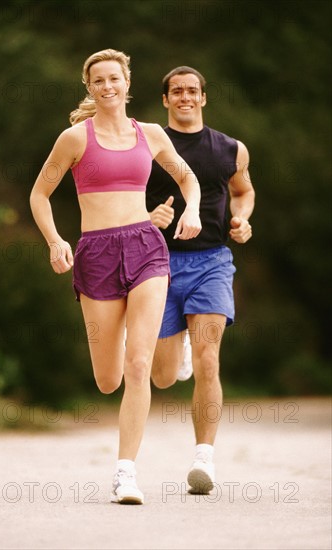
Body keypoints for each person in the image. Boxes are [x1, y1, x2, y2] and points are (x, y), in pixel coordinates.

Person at [29, 50, 202, 505]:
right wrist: (54, 240)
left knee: (139, 366)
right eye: (98, 81)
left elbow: (188, 180)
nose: (108, 87)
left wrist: (195, 210)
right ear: (89, 87)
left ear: (128, 83)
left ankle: (126, 472)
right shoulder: (73, 139)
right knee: (108, 379)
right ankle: (133, 339)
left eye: (115, 79)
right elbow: (40, 194)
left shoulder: (151, 133)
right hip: (96, 254)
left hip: (146, 246)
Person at [146, 66, 255, 494]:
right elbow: (122, 192)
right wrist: (146, 216)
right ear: (165, 100)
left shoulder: (229, 149)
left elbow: (243, 191)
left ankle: (204, 460)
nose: (185, 97)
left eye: (193, 91)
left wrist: (242, 218)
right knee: (163, 377)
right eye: (177, 91)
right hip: (158, 263)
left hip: (212, 262)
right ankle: (179, 351)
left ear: (204, 98)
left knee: (210, 359)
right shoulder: (150, 147)